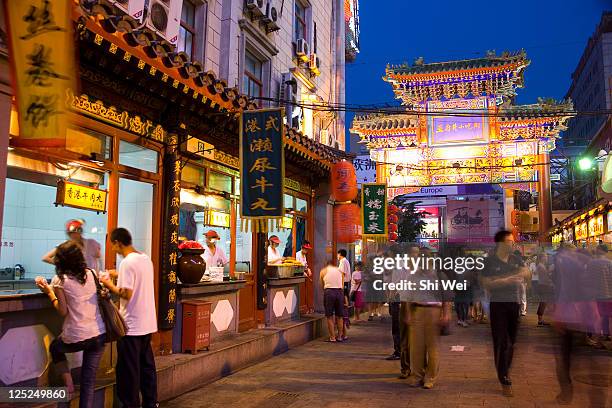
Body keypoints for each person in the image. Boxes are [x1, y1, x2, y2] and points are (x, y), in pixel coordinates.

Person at [35, 241, 106, 408]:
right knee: (88, 383)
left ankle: (68, 383)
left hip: (77, 335)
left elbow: (62, 311)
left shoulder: (60, 280)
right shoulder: (90, 273)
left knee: (55, 348)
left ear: (60, 259)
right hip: (98, 334)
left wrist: (48, 292)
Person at [100, 228, 158, 408]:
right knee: (146, 368)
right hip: (147, 324)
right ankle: (151, 402)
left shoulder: (127, 263)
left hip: (131, 326)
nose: (112, 250)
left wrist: (108, 283)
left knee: (128, 372)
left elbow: (126, 294)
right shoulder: (145, 259)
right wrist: (114, 273)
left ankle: (130, 405)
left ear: (118, 243)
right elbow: (136, 276)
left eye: (112, 246)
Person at [481, 230, 530, 397]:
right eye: (509, 241)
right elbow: (486, 284)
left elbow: (527, 273)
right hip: (497, 305)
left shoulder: (516, 259)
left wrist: (523, 273)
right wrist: (506, 279)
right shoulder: (489, 262)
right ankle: (503, 376)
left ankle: (504, 369)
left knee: (512, 341)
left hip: (513, 304)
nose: (512, 244)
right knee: (501, 341)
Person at [405, 247, 450, 389]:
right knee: (416, 347)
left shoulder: (440, 275)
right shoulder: (413, 276)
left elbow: (447, 297)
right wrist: (408, 314)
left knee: (433, 347)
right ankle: (417, 376)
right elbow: (408, 297)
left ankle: (430, 377)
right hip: (417, 310)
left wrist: (446, 314)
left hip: (434, 312)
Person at [320, 259, 345, 342]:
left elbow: (322, 284)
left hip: (329, 292)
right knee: (340, 316)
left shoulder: (323, 271)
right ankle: (340, 337)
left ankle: (332, 337)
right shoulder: (340, 271)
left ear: (326, 264)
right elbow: (342, 284)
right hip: (339, 292)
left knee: (329, 316)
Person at [535, 253, 553, 327]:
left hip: (543, 285)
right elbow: (545, 277)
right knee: (543, 303)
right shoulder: (540, 266)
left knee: (544, 302)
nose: (546, 258)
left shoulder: (541, 265)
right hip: (543, 286)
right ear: (541, 258)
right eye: (545, 257)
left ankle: (542, 319)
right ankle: (540, 320)